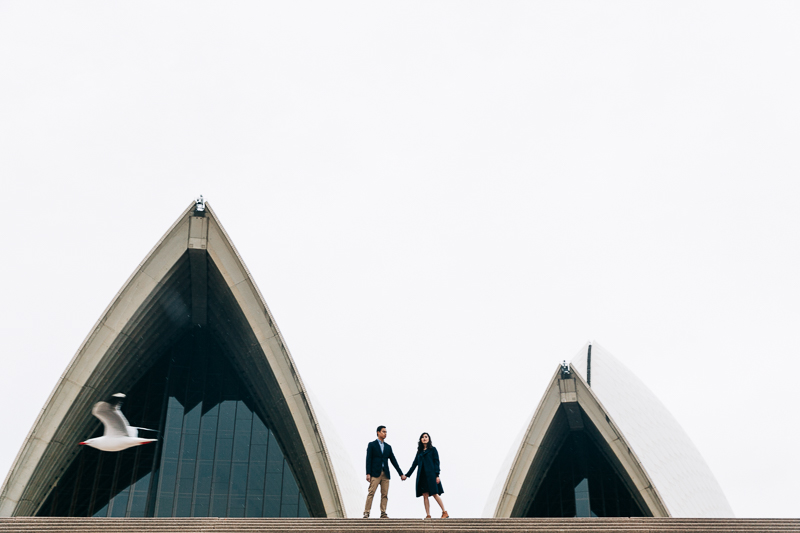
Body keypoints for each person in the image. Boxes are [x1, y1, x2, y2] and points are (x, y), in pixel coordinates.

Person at [364, 425, 406, 518]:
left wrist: (401, 474)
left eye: (386, 432)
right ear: (378, 432)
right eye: (383, 432)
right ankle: (366, 512)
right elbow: (368, 459)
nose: (385, 433)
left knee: (385, 494)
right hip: (375, 473)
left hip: (385, 474)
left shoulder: (388, 447)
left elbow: (394, 461)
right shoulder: (372, 445)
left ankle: (383, 512)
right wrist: (368, 473)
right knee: (371, 493)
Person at [405, 432, 448, 519]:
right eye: (422, 437)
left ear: (429, 439)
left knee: (435, 493)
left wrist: (437, 475)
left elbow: (436, 462)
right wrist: (406, 475)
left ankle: (444, 512)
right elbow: (414, 464)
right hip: (422, 476)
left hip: (431, 475)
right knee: (425, 495)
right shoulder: (419, 452)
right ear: (420, 440)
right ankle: (428, 515)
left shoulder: (433, 450)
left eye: (426, 437)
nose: (424, 438)